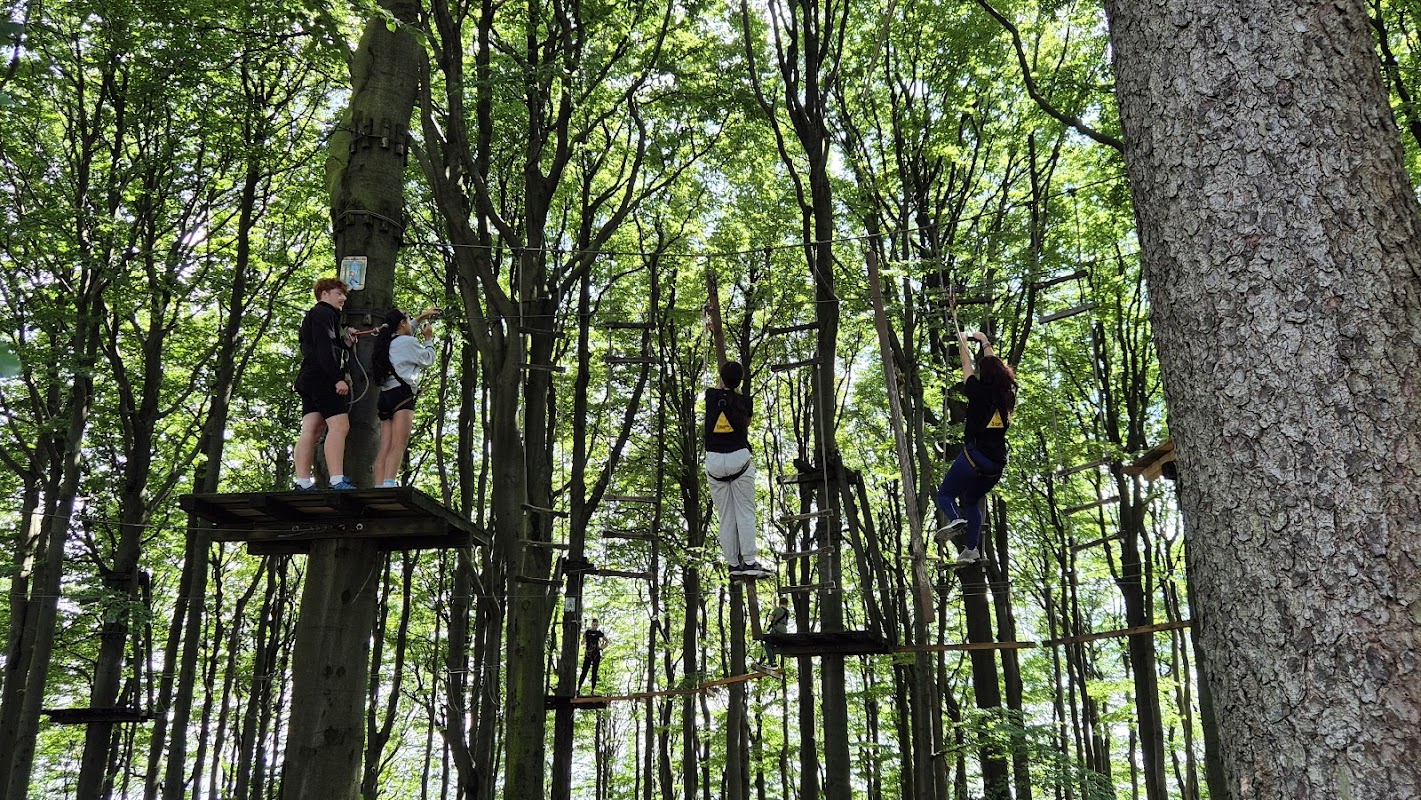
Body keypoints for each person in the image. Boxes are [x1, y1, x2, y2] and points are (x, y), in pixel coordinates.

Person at [934, 330, 1017, 564]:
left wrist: (963, 341)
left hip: (974, 458)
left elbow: (965, 362)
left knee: (946, 495)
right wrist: (983, 341)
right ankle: (971, 550)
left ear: (984, 374)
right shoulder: (1008, 394)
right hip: (995, 466)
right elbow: (991, 365)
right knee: (971, 501)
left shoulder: (976, 391)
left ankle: (954, 518)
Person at [705, 361, 771, 580]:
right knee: (744, 512)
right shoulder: (745, 401)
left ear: (721, 379)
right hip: (739, 461)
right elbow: (746, 424)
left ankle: (733, 564)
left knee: (726, 517)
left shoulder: (711, 397)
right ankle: (750, 561)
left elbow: (721, 387)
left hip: (714, 463)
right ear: (740, 382)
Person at [293, 277, 357, 490]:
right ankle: (337, 479)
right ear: (325, 293)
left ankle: (302, 481)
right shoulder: (324, 313)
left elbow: (327, 345)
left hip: (309, 376)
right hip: (322, 376)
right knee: (340, 425)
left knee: (312, 428)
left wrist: (345, 341)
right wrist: (336, 378)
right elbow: (325, 347)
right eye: (339, 293)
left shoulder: (314, 316)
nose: (343, 299)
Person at [372, 307, 441, 487]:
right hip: (402, 395)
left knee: (385, 445)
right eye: (408, 319)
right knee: (399, 444)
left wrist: (421, 317)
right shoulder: (407, 342)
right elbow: (428, 359)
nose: (411, 323)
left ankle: (379, 485)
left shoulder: (386, 342)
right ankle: (388, 483)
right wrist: (428, 339)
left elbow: (407, 330)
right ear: (402, 323)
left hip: (385, 396)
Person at [757, 597, 791, 672]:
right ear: (786, 604)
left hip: (776, 630)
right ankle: (772, 662)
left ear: (780, 603)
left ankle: (772, 661)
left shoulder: (777, 609)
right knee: (772, 645)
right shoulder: (787, 612)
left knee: (767, 645)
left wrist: (771, 614)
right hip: (784, 630)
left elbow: (770, 619)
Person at [577, 618, 608, 694]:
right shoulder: (587, 632)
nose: (595, 626)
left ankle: (593, 690)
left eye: (596, 625)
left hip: (596, 655)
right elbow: (582, 642)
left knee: (594, 672)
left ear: (598, 625)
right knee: (584, 671)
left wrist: (601, 647)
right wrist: (583, 640)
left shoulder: (599, 633)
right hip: (588, 654)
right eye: (594, 625)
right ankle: (579, 688)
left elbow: (607, 641)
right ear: (592, 624)